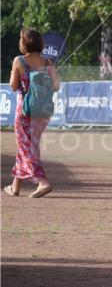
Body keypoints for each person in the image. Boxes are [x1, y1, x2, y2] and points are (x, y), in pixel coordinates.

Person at [5, 28, 60, 197]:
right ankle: (15, 185)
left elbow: (14, 87)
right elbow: (57, 86)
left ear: (24, 43)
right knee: (28, 146)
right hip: (43, 112)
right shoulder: (48, 62)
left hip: (25, 111)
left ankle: (43, 182)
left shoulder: (19, 61)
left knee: (26, 146)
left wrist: (12, 75)